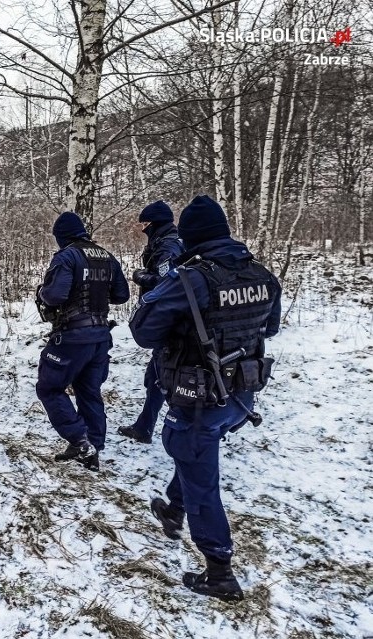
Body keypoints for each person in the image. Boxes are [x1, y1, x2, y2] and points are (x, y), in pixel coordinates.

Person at [129, 195, 281, 601]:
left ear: (193, 237)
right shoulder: (262, 274)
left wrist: (165, 300)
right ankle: (173, 509)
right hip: (240, 392)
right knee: (197, 452)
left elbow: (143, 331)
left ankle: (219, 570)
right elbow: (271, 328)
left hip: (199, 393)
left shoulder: (191, 279)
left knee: (200, 473)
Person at [35, 212, 130, 471]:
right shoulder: (106, 256)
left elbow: (55, 296)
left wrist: (41, 291)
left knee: (49, 388)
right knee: (89, 390)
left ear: (61, 237)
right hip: (100, 336)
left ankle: (80, 440)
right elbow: (122, 295)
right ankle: (94, 444)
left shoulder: (66, 257)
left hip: (72, 337)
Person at [118, 201, 183, 444]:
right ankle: (145, 426)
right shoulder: (168, 241)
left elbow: (171, 283)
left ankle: (182, 427)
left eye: (146, 224)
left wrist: (142, 277)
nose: (143, 229)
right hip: (170, 318)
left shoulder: (168, 246)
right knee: (156, 375)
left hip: (171, 319)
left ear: (155, 224)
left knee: (165, 376)